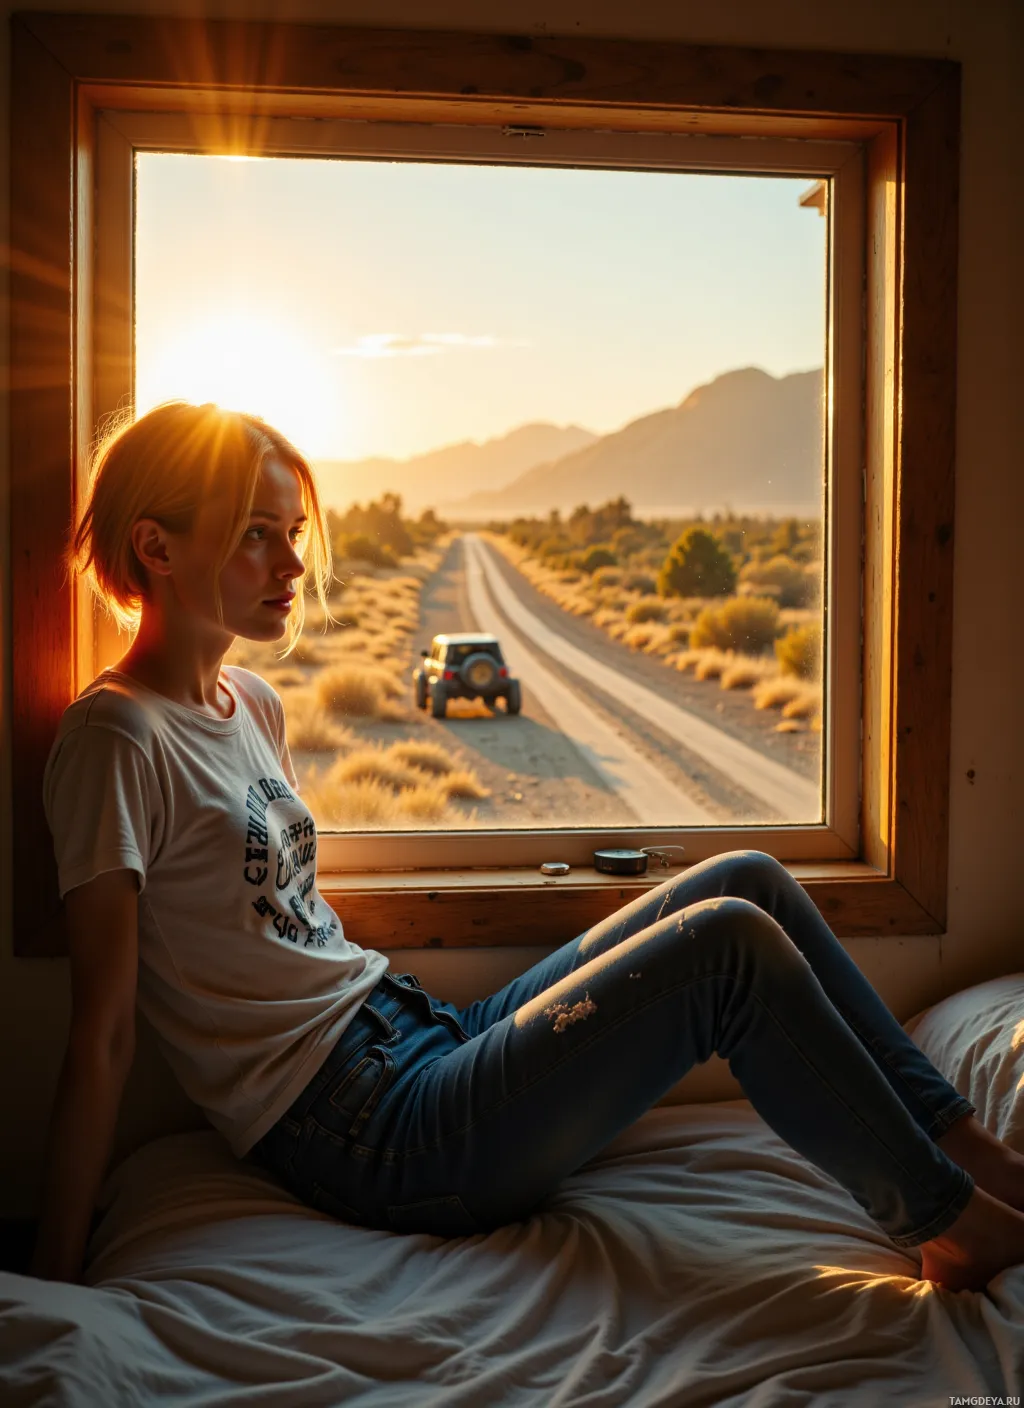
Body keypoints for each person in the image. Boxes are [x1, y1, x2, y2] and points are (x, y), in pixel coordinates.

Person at [30, 401, 1024, 1293]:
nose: (293, 564)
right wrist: (53, 1275)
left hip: (415, 1033)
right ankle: (945, 1224)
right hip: (368, 1131)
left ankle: (972, 1154)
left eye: (293, 533)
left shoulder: (252, 702)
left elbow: (287, 925)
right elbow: (106, 1030)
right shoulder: (117, 737)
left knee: (747, 880)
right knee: (728, 948)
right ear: (155, 546)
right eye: (257, 537)